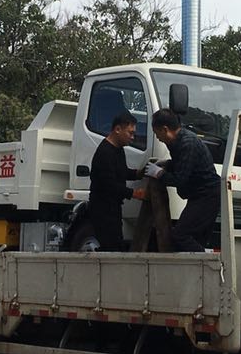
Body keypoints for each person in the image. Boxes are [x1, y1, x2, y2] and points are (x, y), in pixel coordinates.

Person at [148, 108, 221, 251]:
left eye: (157, 134)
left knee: (181, 235)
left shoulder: (187, 143)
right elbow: (182, 164)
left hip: (207, 195)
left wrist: (159, 173)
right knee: (194, 238)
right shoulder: (177, 141)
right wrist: (167, 164)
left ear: (165, 129)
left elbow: (179, 179)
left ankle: (206, 259)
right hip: (200, 195)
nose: (158, 138)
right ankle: (201, 260)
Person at [87, 111, 141, 251]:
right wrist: (135, 193)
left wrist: (139, 173)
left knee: (116, 244)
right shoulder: (104, 152)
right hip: (102, 209)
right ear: (117, 129)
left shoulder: (119, 149)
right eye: (130, 133)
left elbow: (121, 172)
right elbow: (109, 184)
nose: (132, 137)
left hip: (114, 208)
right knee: (111, 247)